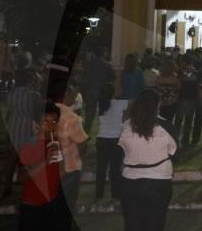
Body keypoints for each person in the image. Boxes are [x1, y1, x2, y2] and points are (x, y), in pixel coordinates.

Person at [119, 89, 176, 231]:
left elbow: (122, 152)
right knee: (155, 224)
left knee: (132, 224)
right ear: (157, 105)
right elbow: (175, 153)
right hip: (158, 183)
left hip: (130, 183)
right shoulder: (166, 126)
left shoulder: (126, 125)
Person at [48, 79, 89, 231]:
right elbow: (82, 143)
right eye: (71, 91)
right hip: (69, 168)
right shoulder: (71, 118)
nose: (74, 94)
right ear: (64, 94)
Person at [18, 101, 63, 231]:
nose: (50, 125)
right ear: (37, 124)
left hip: (51, 201)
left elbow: (60, 174)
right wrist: (45, 161)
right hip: (32, 205)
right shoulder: (29, 145)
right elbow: (21, 177)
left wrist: (63, 161)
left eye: (54, 121)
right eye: (45, 122)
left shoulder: (55, 143)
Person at [2, 68, 39, 197]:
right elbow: (36, 113)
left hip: (13, 124)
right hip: (27, 127)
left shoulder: (10, 94)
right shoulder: (33, 95)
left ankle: (7, 186)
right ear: (30, 82)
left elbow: (9, 112)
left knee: (11, 157)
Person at [95, 83, 128, 199]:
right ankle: (115, 193)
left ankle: (99, 193)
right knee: (115, 168)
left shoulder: (100, 105)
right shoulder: (121, 103)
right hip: (116, 139)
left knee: (101, 168)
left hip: (102, 138)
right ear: (113, 92)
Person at [83, 47, 115, 133]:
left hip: (91, 90)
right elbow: (113, 78)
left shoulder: (89, 64)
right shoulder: (108, 65)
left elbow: (85, 76)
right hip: (103, 91)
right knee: (103, 113)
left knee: (89, 114)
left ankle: (86, 133)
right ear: (104, 54)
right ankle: (102, 133)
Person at [174, 54, 199, 149]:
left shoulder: (180, 73)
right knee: (188, 122)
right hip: (192, 99)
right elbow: (197, 88)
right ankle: (185, 142)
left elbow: (178, 86)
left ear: (184, 62)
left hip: (181, 99)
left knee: (178, 121)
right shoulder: (196, 72)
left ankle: (175, 141)